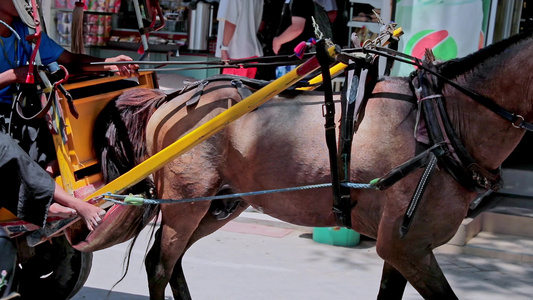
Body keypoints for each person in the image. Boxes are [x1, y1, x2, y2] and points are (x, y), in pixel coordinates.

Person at [0, 0, 139, 169]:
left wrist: (110, 63)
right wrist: (12, 76)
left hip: (25, 110)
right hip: (6, 117)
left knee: (125, 89)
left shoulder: (26, 30)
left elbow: (70, 60)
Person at [215, 0, 264, 79]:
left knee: (231, 89)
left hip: (236, 55)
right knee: (247, 89)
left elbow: (230, 22)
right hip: (252, 53)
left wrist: (224, 48)